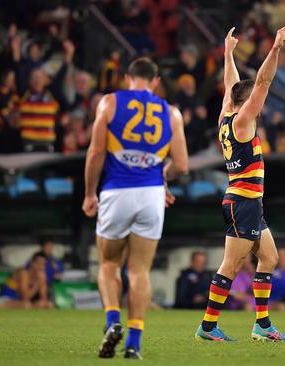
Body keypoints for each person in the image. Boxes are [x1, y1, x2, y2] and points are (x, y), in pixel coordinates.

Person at [81, 57, 188, 359]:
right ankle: (134, 344)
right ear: (155, 82)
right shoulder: (171, 112)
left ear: (129, 77)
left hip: (117, 191)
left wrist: (90, 193)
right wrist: (160, 177)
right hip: (152, 195)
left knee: (108, 264)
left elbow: (96, 152)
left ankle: (113, 322)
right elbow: (181, 165)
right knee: (140, 270)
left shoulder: (110, 102)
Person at [195, 24, 285, 343]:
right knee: (231, 265)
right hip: (243, 202)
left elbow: (230, 85)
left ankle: (261, 324)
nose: (258, 103)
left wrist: (228, 54)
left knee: (270, 258)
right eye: (254, 100)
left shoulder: (226, 116)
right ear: (246, 103)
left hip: (246, 202)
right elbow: (263, 80)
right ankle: (208, 327)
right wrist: (275, 48)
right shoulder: (243, 120)